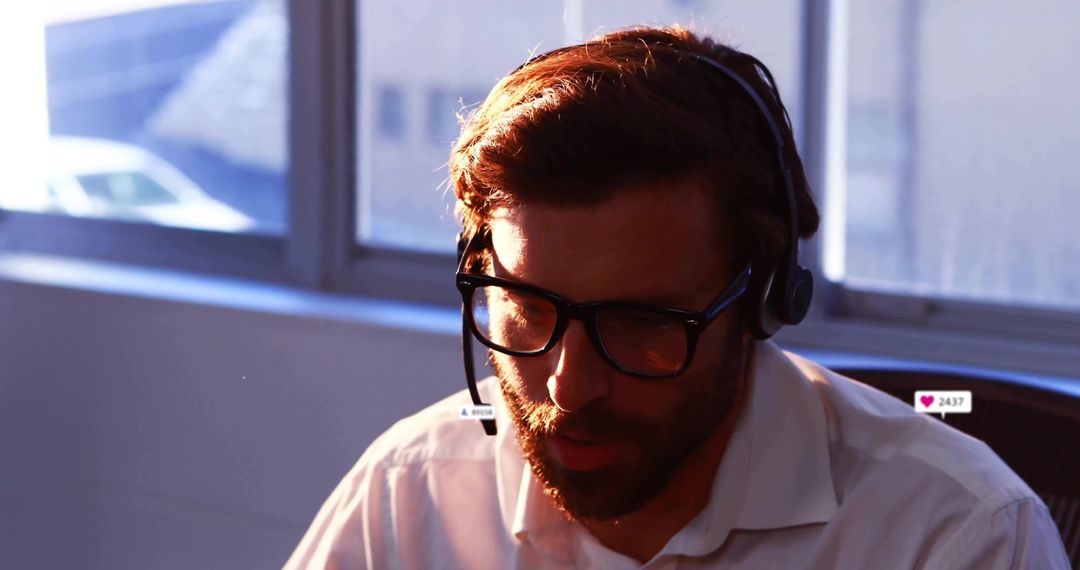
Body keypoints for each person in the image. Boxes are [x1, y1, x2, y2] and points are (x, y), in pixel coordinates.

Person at [285, 26, 1070, 569]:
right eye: (527, 306)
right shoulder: (416, 485)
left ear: (760, 301)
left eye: (639, 324)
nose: (568, 386)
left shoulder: (955, 537)